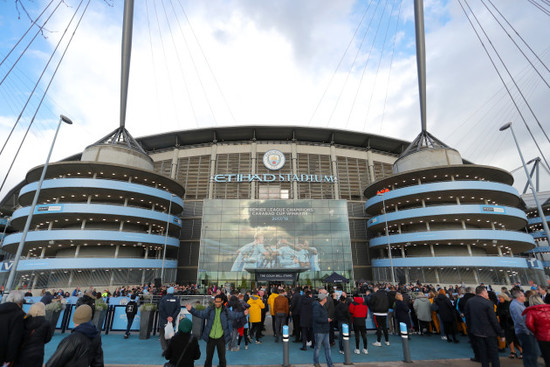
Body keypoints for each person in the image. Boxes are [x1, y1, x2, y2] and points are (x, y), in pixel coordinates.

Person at [186, 295, 248, 367]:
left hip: (221, 338)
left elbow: (234, 315)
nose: (217, 303)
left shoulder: (226, 311)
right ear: (214, 301)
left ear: (222, 302)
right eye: (216, 302)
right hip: (210, 338)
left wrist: (243, 314)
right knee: (208, 358)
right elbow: (201, 314)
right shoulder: (210, 310)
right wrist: (191, 310)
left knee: (222, 359)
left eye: (219, 302)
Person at [464, 286, 505, 367]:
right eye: (486, 292)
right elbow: (494, 320)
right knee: (494, 355)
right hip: (489, 333)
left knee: (483, 354)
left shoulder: (469, 301)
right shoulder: (488, 303)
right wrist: (501, 333)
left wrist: (471, 330)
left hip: (476, 332)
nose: (487, 294)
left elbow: (467, 317)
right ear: (482, 292)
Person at [15, 302, 52, 367]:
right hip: (37, 352)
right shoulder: (46, 323)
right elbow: (47, 339)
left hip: (22, 351)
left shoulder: (24, 320)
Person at [510, 289, 538, 367]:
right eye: (523, 295)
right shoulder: (515, 306)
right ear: (519, 296)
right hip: (525, 332)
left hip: (526, 331)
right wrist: (527, 331)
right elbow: (520, 321)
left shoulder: (519, 304)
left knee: (531, 352)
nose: (525, 296)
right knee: (529, 352)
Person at [523, 294, 550, 366]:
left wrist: (535, 331)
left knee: (547, 356)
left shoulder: (531, 311)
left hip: (542, 336)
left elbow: (529, 324)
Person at [0, 291, 26, 367]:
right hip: (3, 353)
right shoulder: (18, 314)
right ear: (20, 301)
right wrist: (9, 358)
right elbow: (14, 338)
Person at [496, 293, 522, 359]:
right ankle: (512, 351)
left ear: (504, 297)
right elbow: (498, 313)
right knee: (509, 338)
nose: (499, 299)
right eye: (498, 298)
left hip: (510, 324)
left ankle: (520, 351)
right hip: (504, 324)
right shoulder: (499, 305)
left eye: (500, 297)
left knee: (513, 338)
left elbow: (509, 313)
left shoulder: (509, 304)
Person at [312, 292, 333, 367]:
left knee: (324, 347)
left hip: (324, 329)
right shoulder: (317, 307)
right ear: (323, 299)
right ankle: (317, 362)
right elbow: (317, 318)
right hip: (320, 330)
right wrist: (326, 320)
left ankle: (329, 363)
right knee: (319, 347)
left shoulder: (320, 306)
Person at [159, 287, 181, 353]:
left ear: (167, 292)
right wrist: (172, 317)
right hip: (172, 320)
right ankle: (170, 349)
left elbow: (161, 309)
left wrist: (166, 317)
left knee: (162, 335)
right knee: (171, 335)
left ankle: (165, 349)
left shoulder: (163, 299)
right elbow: (178, 309)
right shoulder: (176, 299)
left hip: (163, 320)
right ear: (173, 292)